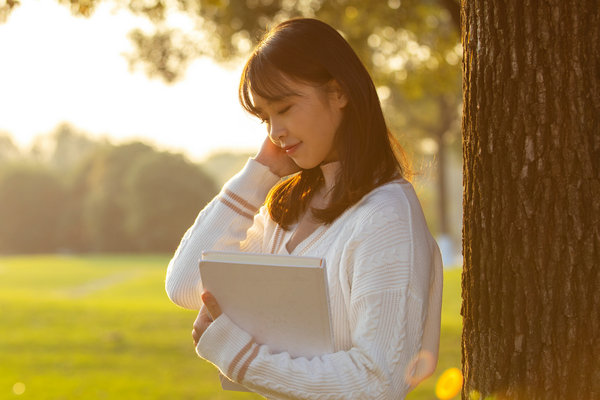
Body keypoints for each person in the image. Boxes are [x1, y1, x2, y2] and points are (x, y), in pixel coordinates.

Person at [165, 18, 443, 400]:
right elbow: (184, 285)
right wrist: (258, 174)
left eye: (285, 107)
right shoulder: (287, 211)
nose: (274, 131)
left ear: (339, 92)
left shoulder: (386, 216)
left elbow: (377, 383)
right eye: (265, 117)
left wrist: (239, 356)